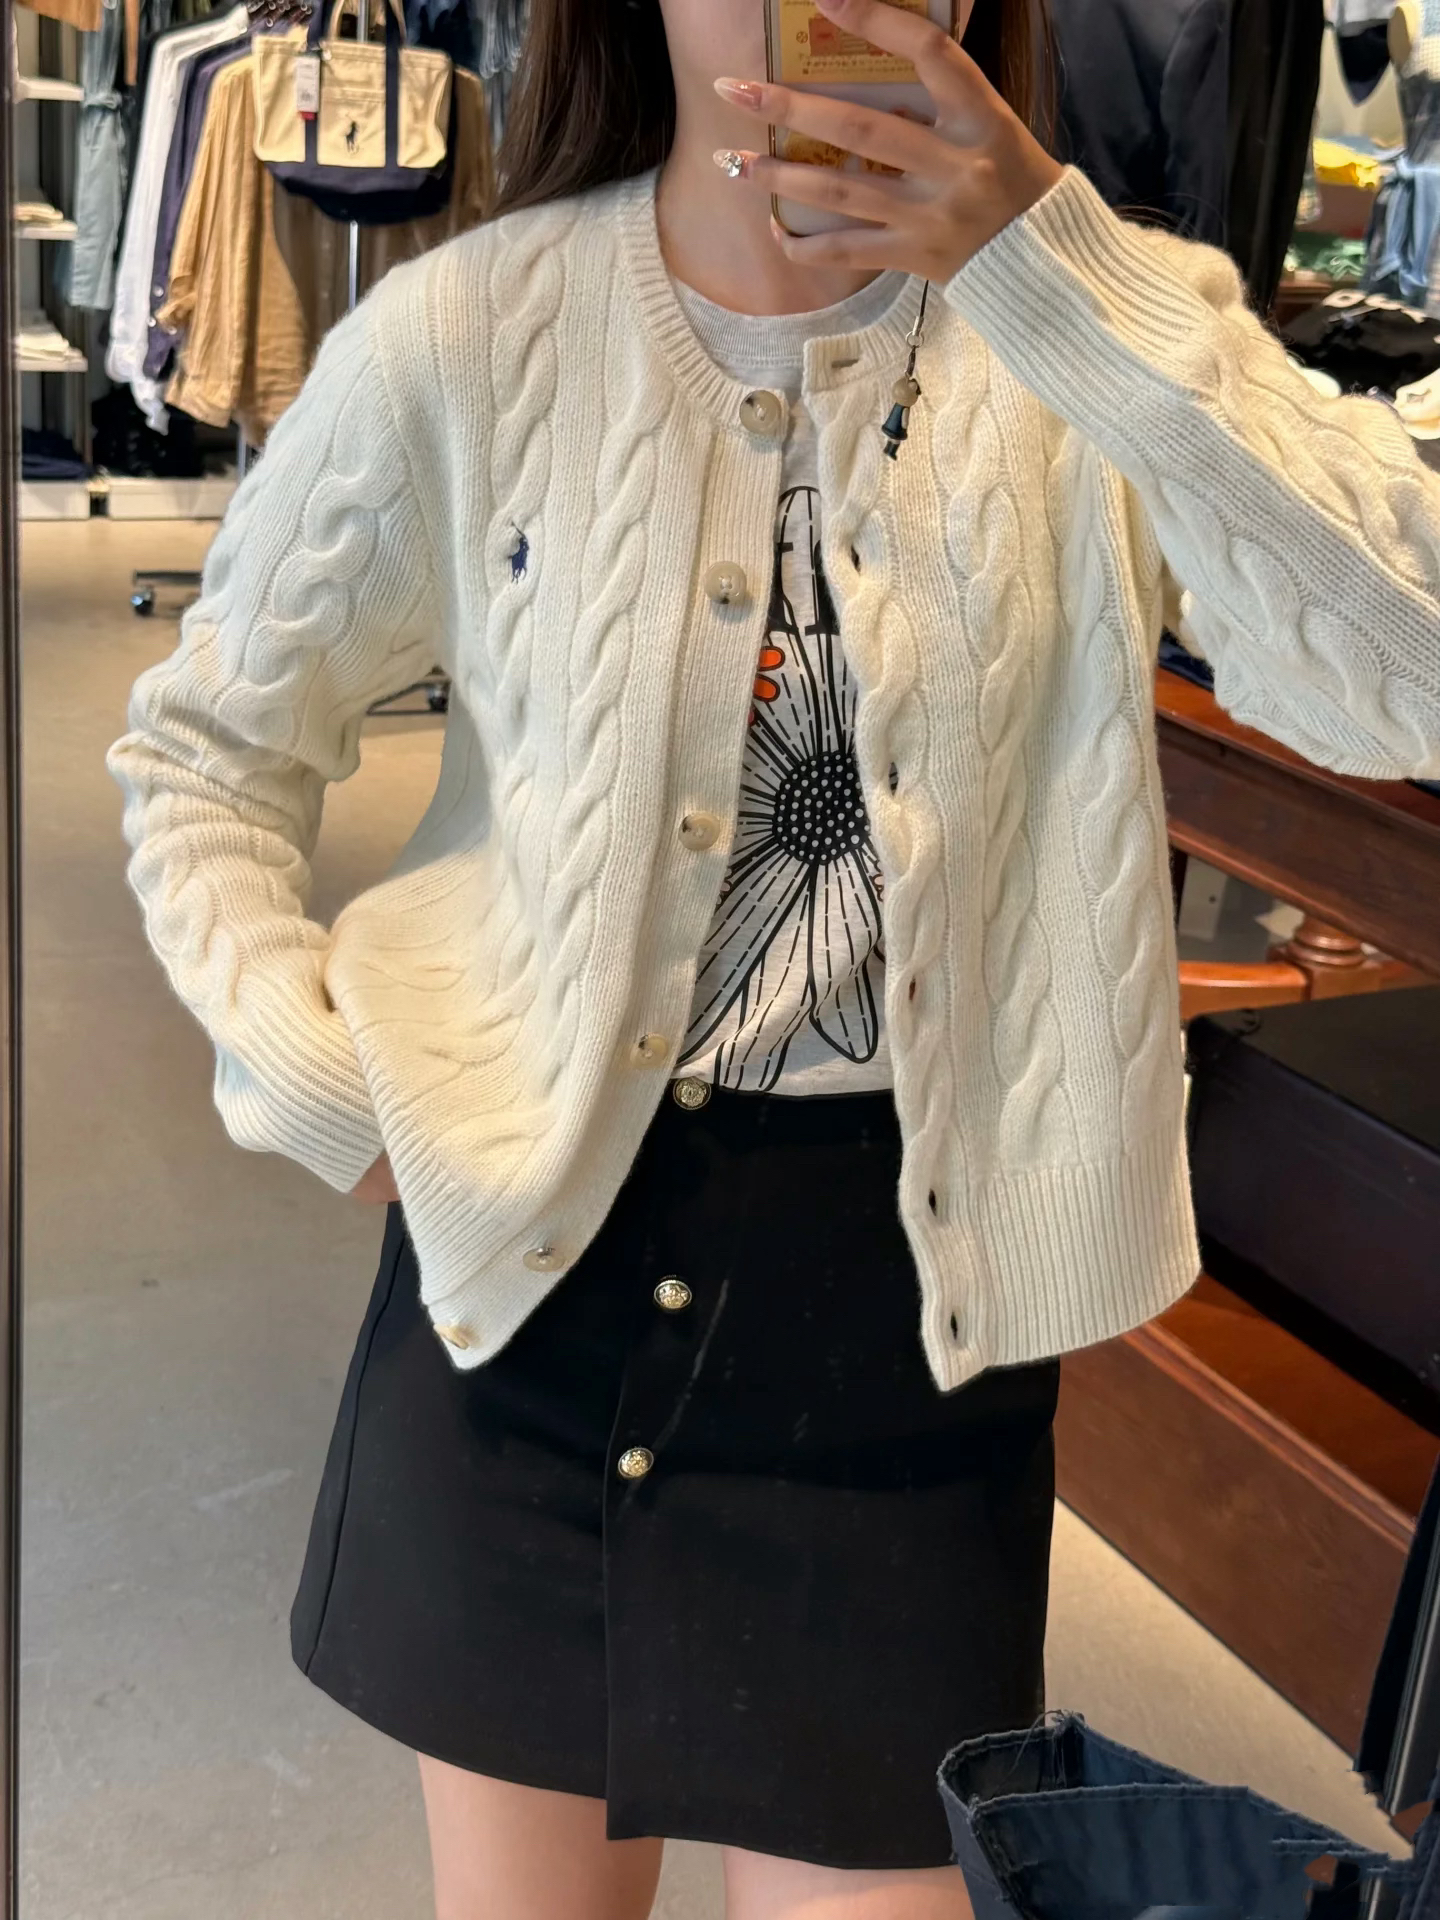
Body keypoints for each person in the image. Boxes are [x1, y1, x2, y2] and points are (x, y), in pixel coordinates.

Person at [106, 0, 1440, 1913]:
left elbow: (1410, 670)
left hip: (898, 1328)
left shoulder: (1092, 334)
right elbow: (206, 751)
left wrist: (1056, 272)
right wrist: (319, 1073)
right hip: (518, 1285)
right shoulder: (468, 331)